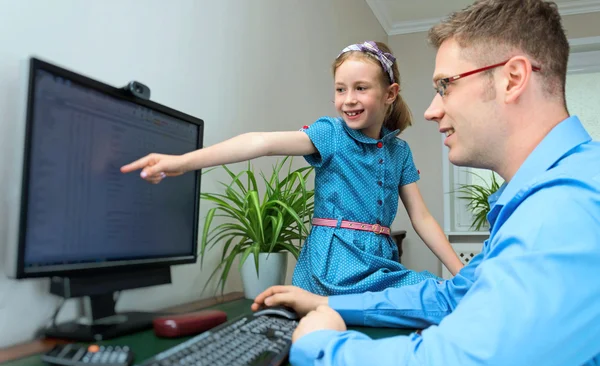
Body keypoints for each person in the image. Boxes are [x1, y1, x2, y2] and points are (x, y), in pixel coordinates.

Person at [250, 0, 600, 366]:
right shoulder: (548, 196)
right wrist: (326, 301)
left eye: (445, 85)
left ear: (512, 78)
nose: (432, 110)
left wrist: (320, 343)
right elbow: (451, 296)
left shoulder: (569, 208)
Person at [121, 41, 463, 295]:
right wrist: (183, 162)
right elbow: (261, 142)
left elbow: (421, 217)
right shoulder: (330, 134)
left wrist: (459, 271)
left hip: (380, 263)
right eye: (340, 89)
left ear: (390, 94)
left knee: (436, 293)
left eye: (361, 88)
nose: (348, 99)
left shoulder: (398, 152)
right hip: (335, 262)